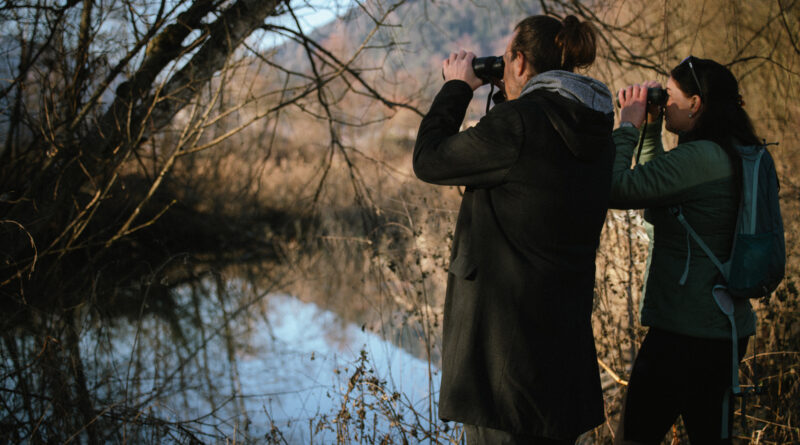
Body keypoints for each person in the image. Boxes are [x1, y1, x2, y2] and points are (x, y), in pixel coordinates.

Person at [413, 15, 615, 444]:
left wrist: (456, 87)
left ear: (520, 62)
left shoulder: (518, 127)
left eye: (506, 61)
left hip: (503, 370)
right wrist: (508, 99)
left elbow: (429, 159)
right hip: (562, 365)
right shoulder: (596, 130)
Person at [610, 57, 760, 444]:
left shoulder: (699, 158)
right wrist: (651, 128)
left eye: (670, 95)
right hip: (724, 329)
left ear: (696, 104)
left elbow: (617, 188)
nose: (664, 102)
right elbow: (659, 189)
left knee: (633, 438)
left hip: (684, 333)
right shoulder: (735, 152)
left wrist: (627, 125)